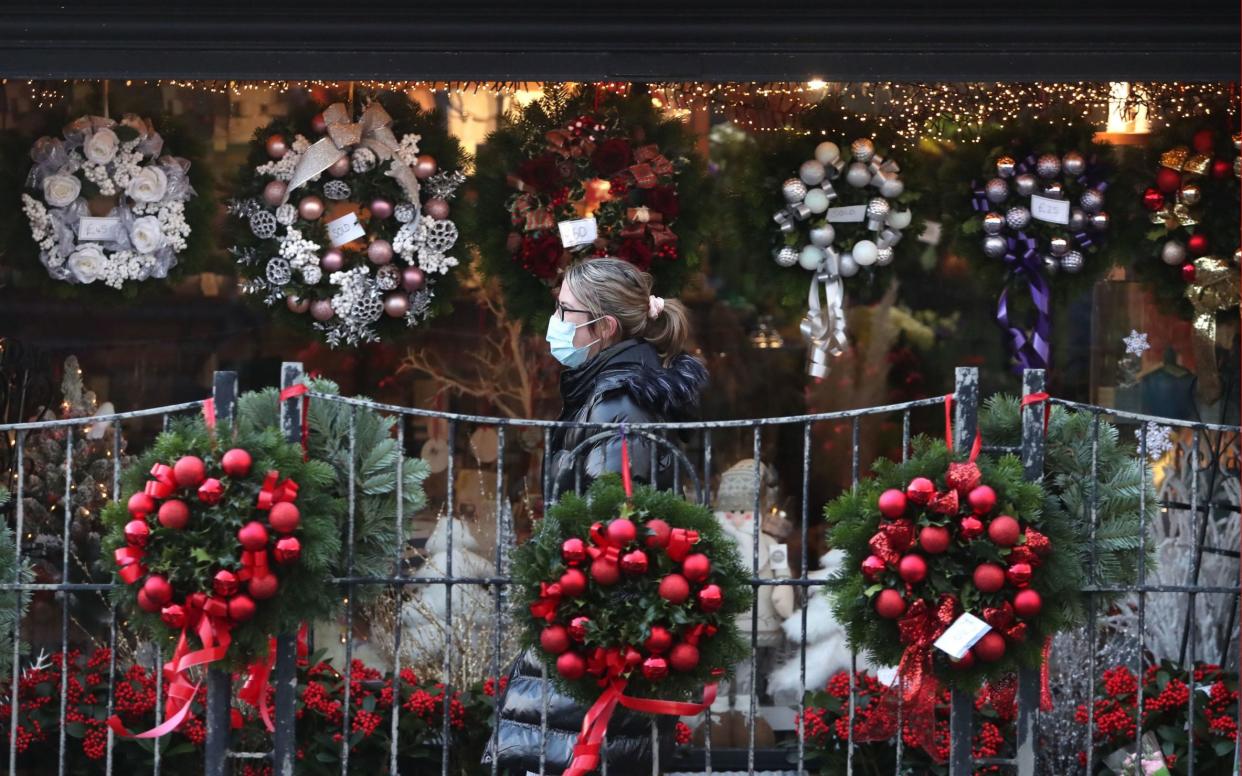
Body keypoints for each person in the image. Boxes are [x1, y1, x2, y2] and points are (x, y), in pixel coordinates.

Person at [483, 257, 708, 775]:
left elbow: (613, 532)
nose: (556, 321)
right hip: (588, 636)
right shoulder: (609, 392)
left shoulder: (619, 403)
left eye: (565, 310)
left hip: (593, 640)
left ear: (603, 327)